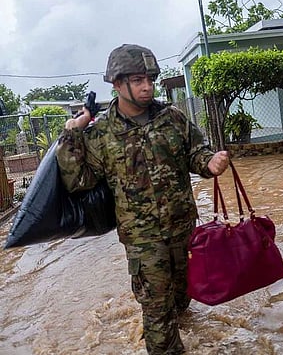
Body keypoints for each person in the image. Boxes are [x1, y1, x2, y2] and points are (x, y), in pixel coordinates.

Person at [56, 44, 229, 354]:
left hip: (184, 229)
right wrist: (72, 132)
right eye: (138, 80)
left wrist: (209, 162)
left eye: (150, 78)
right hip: (143, 239)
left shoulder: (172, 118)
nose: (147, 86)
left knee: (182, 297)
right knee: (158, 313)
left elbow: (194, 152)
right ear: (117, 84)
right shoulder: (101, 133)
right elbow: (78, 181)